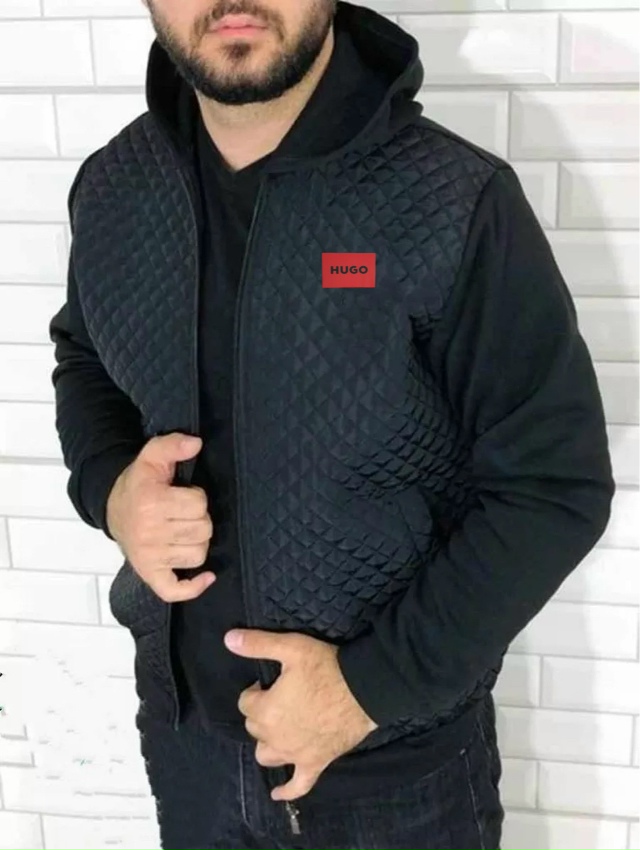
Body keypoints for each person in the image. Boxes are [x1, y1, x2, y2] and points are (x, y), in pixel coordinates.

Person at [48, 1, 615, 848]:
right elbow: (84, 358)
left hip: (397, 773)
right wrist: (112, 490)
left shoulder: (453, 198)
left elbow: (554, 485)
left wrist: (364, 691)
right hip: (189, 748)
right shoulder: (113, 188)